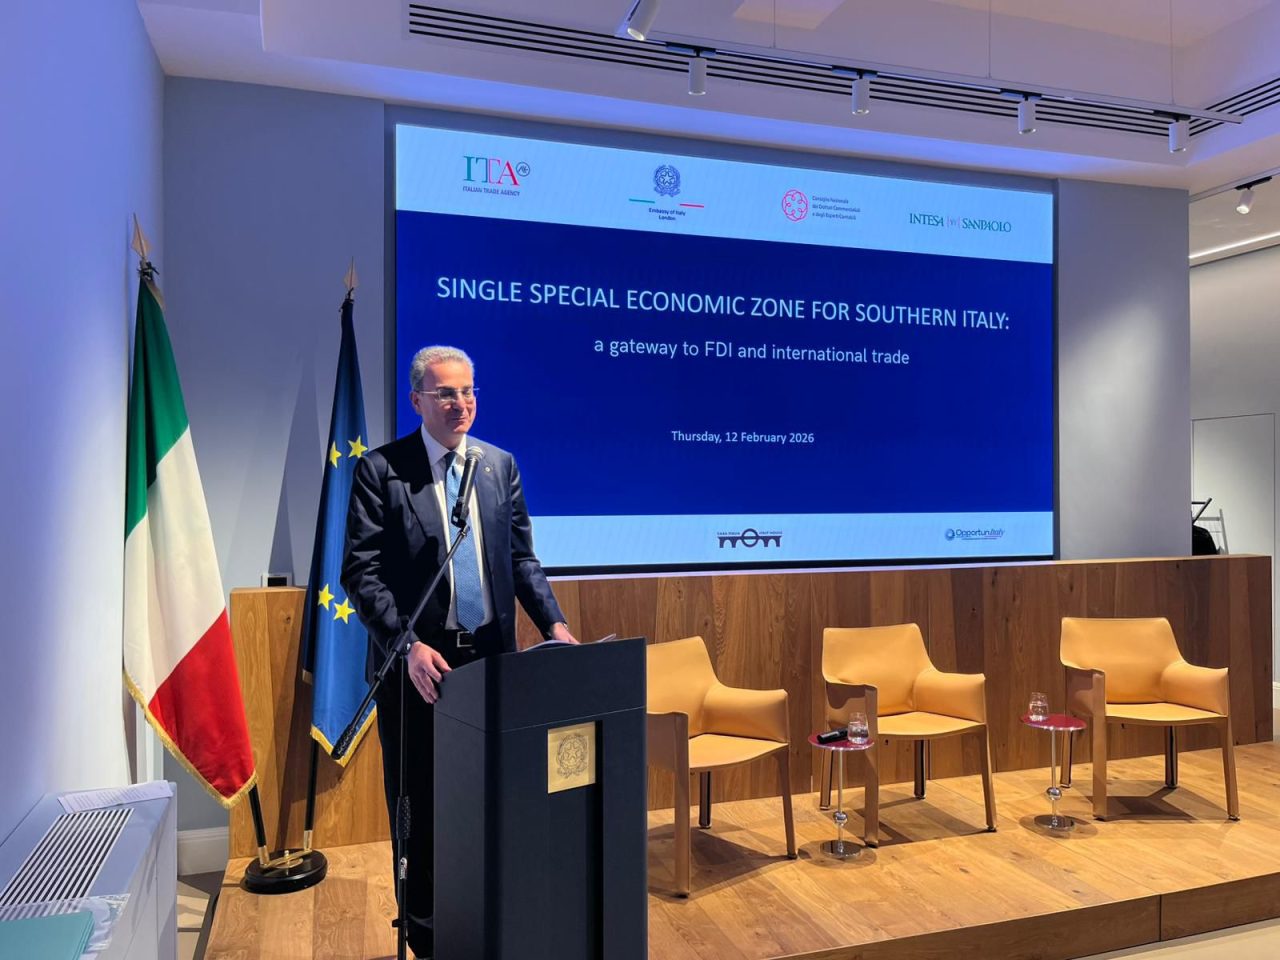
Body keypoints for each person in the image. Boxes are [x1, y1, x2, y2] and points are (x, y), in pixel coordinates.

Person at [342, 345, 576, 959]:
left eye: (468, 391)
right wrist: (407, 645)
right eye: (446, 393)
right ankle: (426, 934)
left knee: (494, 797)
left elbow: (521, 560)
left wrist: (554, 625)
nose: (460, 403)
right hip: (420, 669)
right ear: (417, 400)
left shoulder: (499, 466)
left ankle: (492, 919)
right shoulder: (381, 471)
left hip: (493, 665)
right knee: (421, 804)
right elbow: (361, 573)